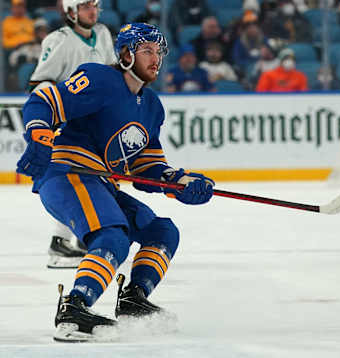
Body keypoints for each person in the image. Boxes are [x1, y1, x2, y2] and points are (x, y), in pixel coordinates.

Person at [16, 22, 215, 342]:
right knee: (113, 237)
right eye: (146, 51)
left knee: (162, 231)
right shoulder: (100, 78)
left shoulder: (151, 106)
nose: (156, 59)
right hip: (68, 175)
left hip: (101, 184)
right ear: (125, 54)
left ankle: (133, 300)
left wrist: (179, 182)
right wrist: (39, 135)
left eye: (159, 52)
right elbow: (45, 101)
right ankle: (74, 308)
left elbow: (146, 166)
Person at [27, 0, 117, 269]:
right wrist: (58, 103)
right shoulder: (59, 40)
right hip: (71, 124)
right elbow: (39, 82)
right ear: (70, 12)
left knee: (97, 179)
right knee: (74, 180)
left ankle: (79, 239)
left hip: (98, 122)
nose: (93, 11)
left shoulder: (102, 34)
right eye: (86, 6)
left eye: (95, 6)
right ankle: (60, 242)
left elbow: (112, 72)